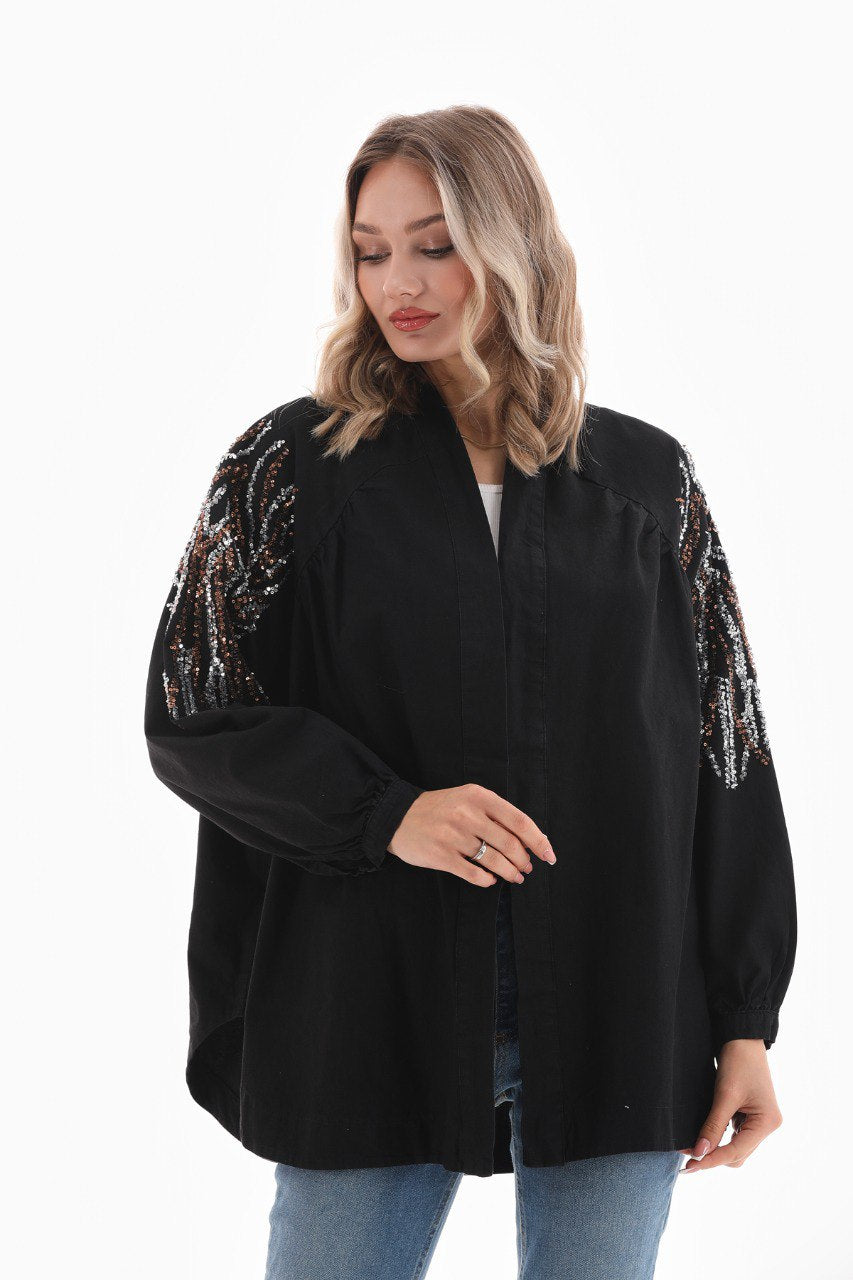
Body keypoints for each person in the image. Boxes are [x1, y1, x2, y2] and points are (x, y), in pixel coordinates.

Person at [144, 105, 797, 1279]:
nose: (396, 280)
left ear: (511, 243)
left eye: (434, 244)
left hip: (616, 1005)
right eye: (370, 249)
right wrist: (385, 809)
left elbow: (726, 751)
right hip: (367, 1004)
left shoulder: (647, 482)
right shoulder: (288, 468)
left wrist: (746, 1015)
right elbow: (190, 711)